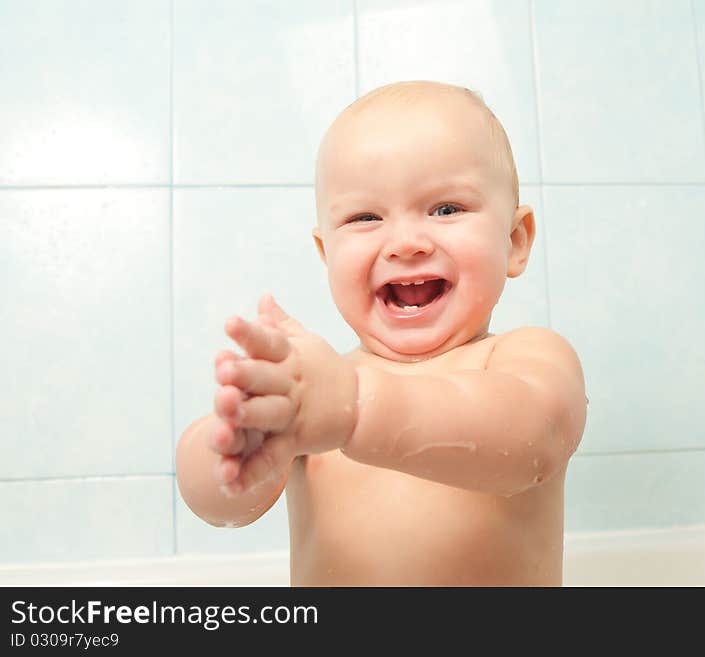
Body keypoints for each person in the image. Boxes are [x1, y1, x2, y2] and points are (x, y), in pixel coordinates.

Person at [176, 80, 588, 586]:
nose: (406, 243)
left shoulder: (524, 359)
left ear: (515, 240)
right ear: (327, 255)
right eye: (365, 217)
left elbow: (531, 440)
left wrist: (354, 407)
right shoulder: (315, 389)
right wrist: (232, 449)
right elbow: (219, 509)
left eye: (446, 209)